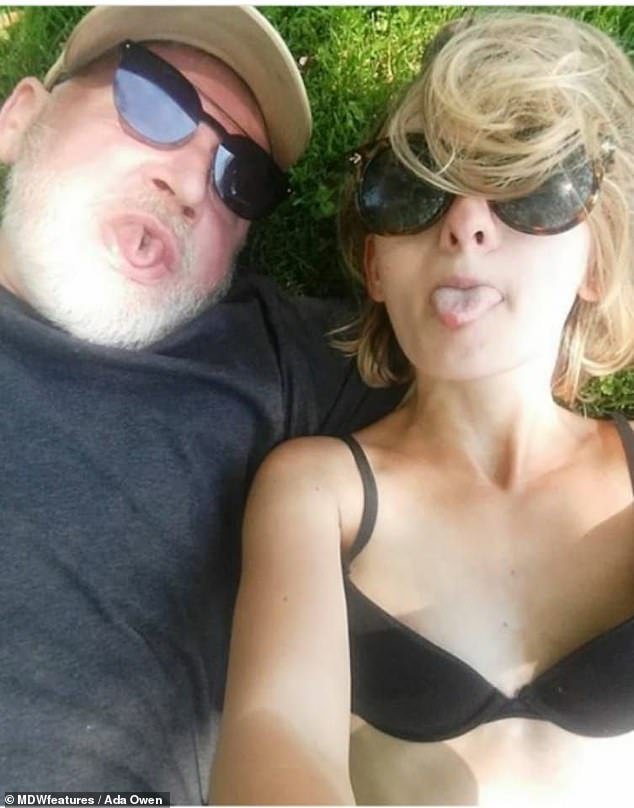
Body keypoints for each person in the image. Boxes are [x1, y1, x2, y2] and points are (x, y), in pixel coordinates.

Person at [212, 11, 634, 806]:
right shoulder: (317, 492)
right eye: (410, 189)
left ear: (596, 259)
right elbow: (277, 734)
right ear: (375, 266)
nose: (465, 224)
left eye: (530, 186)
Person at [0, 6, 402, 803]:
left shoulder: (273, 360)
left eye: (240, 178)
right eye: (154, 101)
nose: (189, 184)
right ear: (20, 117)